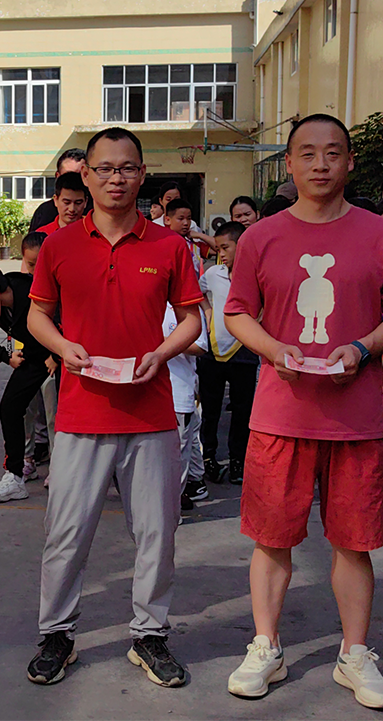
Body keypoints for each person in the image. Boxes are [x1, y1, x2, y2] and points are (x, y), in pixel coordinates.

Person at [25, 126, 202, 688]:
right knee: (66, 533)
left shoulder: (168, 246)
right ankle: (57, 634)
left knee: (157, 533)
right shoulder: (59, 245)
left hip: (151, 413)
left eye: (126, 168)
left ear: (142, 174)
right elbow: (36, 315)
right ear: (86, 175)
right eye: (104, 168)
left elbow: (193, 319)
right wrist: (63, 348)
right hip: (81, 413)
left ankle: (149, 634)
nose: (115, 178)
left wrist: (161, 352)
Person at [224, 114, 383, 707]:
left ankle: (354, 653)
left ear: (349, 162)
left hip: (358, 417)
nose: (321, 164)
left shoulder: (377, 232)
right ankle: (266, 645)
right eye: (308, 154)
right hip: (281, 414)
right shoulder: (262, 237)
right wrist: (274, 350)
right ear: (288, 164)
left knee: (354, 541)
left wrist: (363, 348)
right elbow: (237, 312)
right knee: (271, 538)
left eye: (333, 153)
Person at [0, 231, 53, 503]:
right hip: (31, 358)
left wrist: (56, 355)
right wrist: (6, 357)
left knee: (57, 414)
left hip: (59, 355)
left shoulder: (33, 290)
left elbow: (69, 318)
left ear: (2, 290)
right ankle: (15, 475)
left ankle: (63, 471)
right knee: (10, 408)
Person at [197, 221, 257, 486]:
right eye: (218, 248)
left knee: (242, 411)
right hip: (213, 351)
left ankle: (237, 460)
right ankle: (208, 457)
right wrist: (208, 312)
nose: (220, 253)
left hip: (244, 351)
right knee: (210, 409)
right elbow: (197, 292)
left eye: (225, 248)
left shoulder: (255, 274)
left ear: (240, 246)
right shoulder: (213, 274)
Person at [163, 303, 209, 510]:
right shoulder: (140, 301)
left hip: (178, 392)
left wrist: (163, 343)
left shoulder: (187, 308)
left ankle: (173, 508)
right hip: (146, 392)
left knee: (177, 454)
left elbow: (200, 346)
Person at [28, 149, 86, 232]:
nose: (72, 209)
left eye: (78, 203)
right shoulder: (44, 213)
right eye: (66, 202)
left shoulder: (98, 210)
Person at [163, 198, 205, 276]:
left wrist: (199, 235)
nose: (186, 223)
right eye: (181, 219)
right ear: (167, 220)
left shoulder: (193, 244)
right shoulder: (161, 243)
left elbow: (218, 247)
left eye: (189, 219)